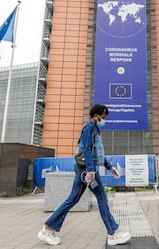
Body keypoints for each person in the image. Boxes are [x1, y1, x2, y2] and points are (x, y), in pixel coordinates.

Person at [37, 104, 131, 246]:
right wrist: (91, 170)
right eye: (103, 117)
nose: (104, 120)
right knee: (101, 197)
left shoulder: (94, 128)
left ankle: (47, 229)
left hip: (85, 169)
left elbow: (97, 153)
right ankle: (113, 234)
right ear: (96, 116)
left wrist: (110, 167)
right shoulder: (89, 128)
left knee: (72, 199)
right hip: (86, 170)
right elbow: (86, 150)